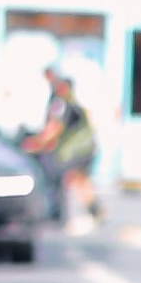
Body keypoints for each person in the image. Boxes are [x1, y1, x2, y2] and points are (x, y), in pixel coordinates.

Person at [42, 64, 98, 231]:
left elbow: (56, 128)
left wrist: (38, 142)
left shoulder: (65, 105)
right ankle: (93, 210)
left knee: (71, 178)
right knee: (79, 180)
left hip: (77, 150)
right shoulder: (69, 102)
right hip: (80, 149)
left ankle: (79, 212)